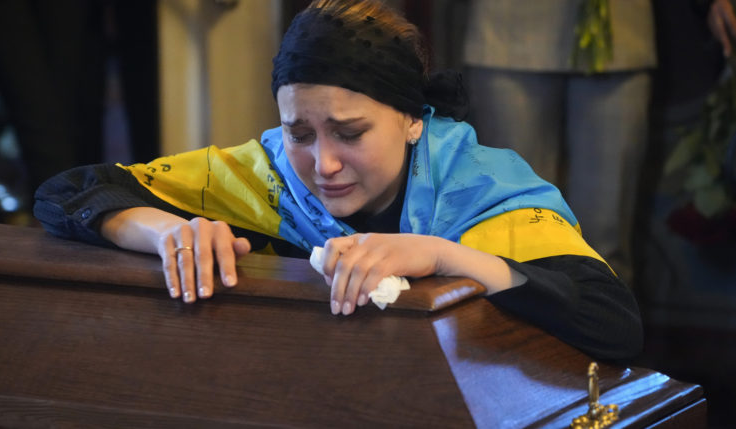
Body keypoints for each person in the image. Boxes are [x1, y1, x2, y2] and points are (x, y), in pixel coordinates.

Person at [34, 0, 642, 360]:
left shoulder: (479, 187)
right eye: (300, 133)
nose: (322, 164)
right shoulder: (265, 172)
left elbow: (613, 323)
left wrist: (442, 255)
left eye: (349, 134)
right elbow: (66, 193)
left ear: (410, 120)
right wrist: (171, 233)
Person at [459, 0, 656, 286]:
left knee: (605, 242)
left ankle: (603, 327)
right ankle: (522, 330)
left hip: (620, 30)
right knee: (518, 238)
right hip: (507, 30)